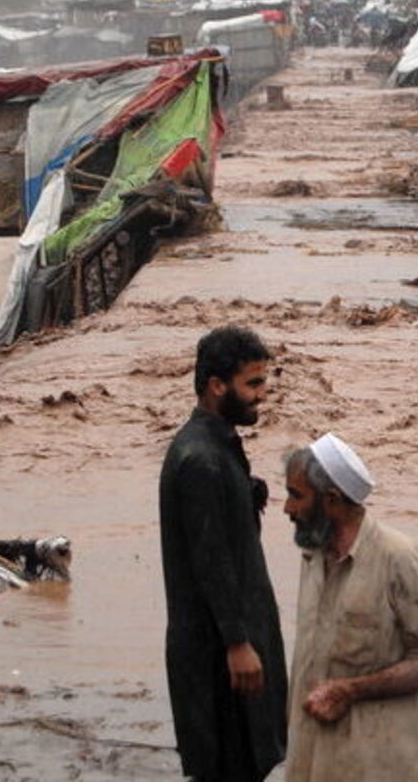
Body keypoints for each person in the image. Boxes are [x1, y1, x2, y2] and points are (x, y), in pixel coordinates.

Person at [283, 433, 418, 782]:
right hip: (318, 759)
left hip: (383, 764)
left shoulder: (398, 558)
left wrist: (350, 690)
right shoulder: (314, 556)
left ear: (331, 500)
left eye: (295, 495)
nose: (287, 508)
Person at [159, 326, 288, 782]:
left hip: (232, 647)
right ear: (217, 385)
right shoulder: (202, 460)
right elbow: (209, 561)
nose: (261, 395)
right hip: (217, 657)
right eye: (252, 384)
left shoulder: (218, 448)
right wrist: (237, 642)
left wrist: (247, 492)